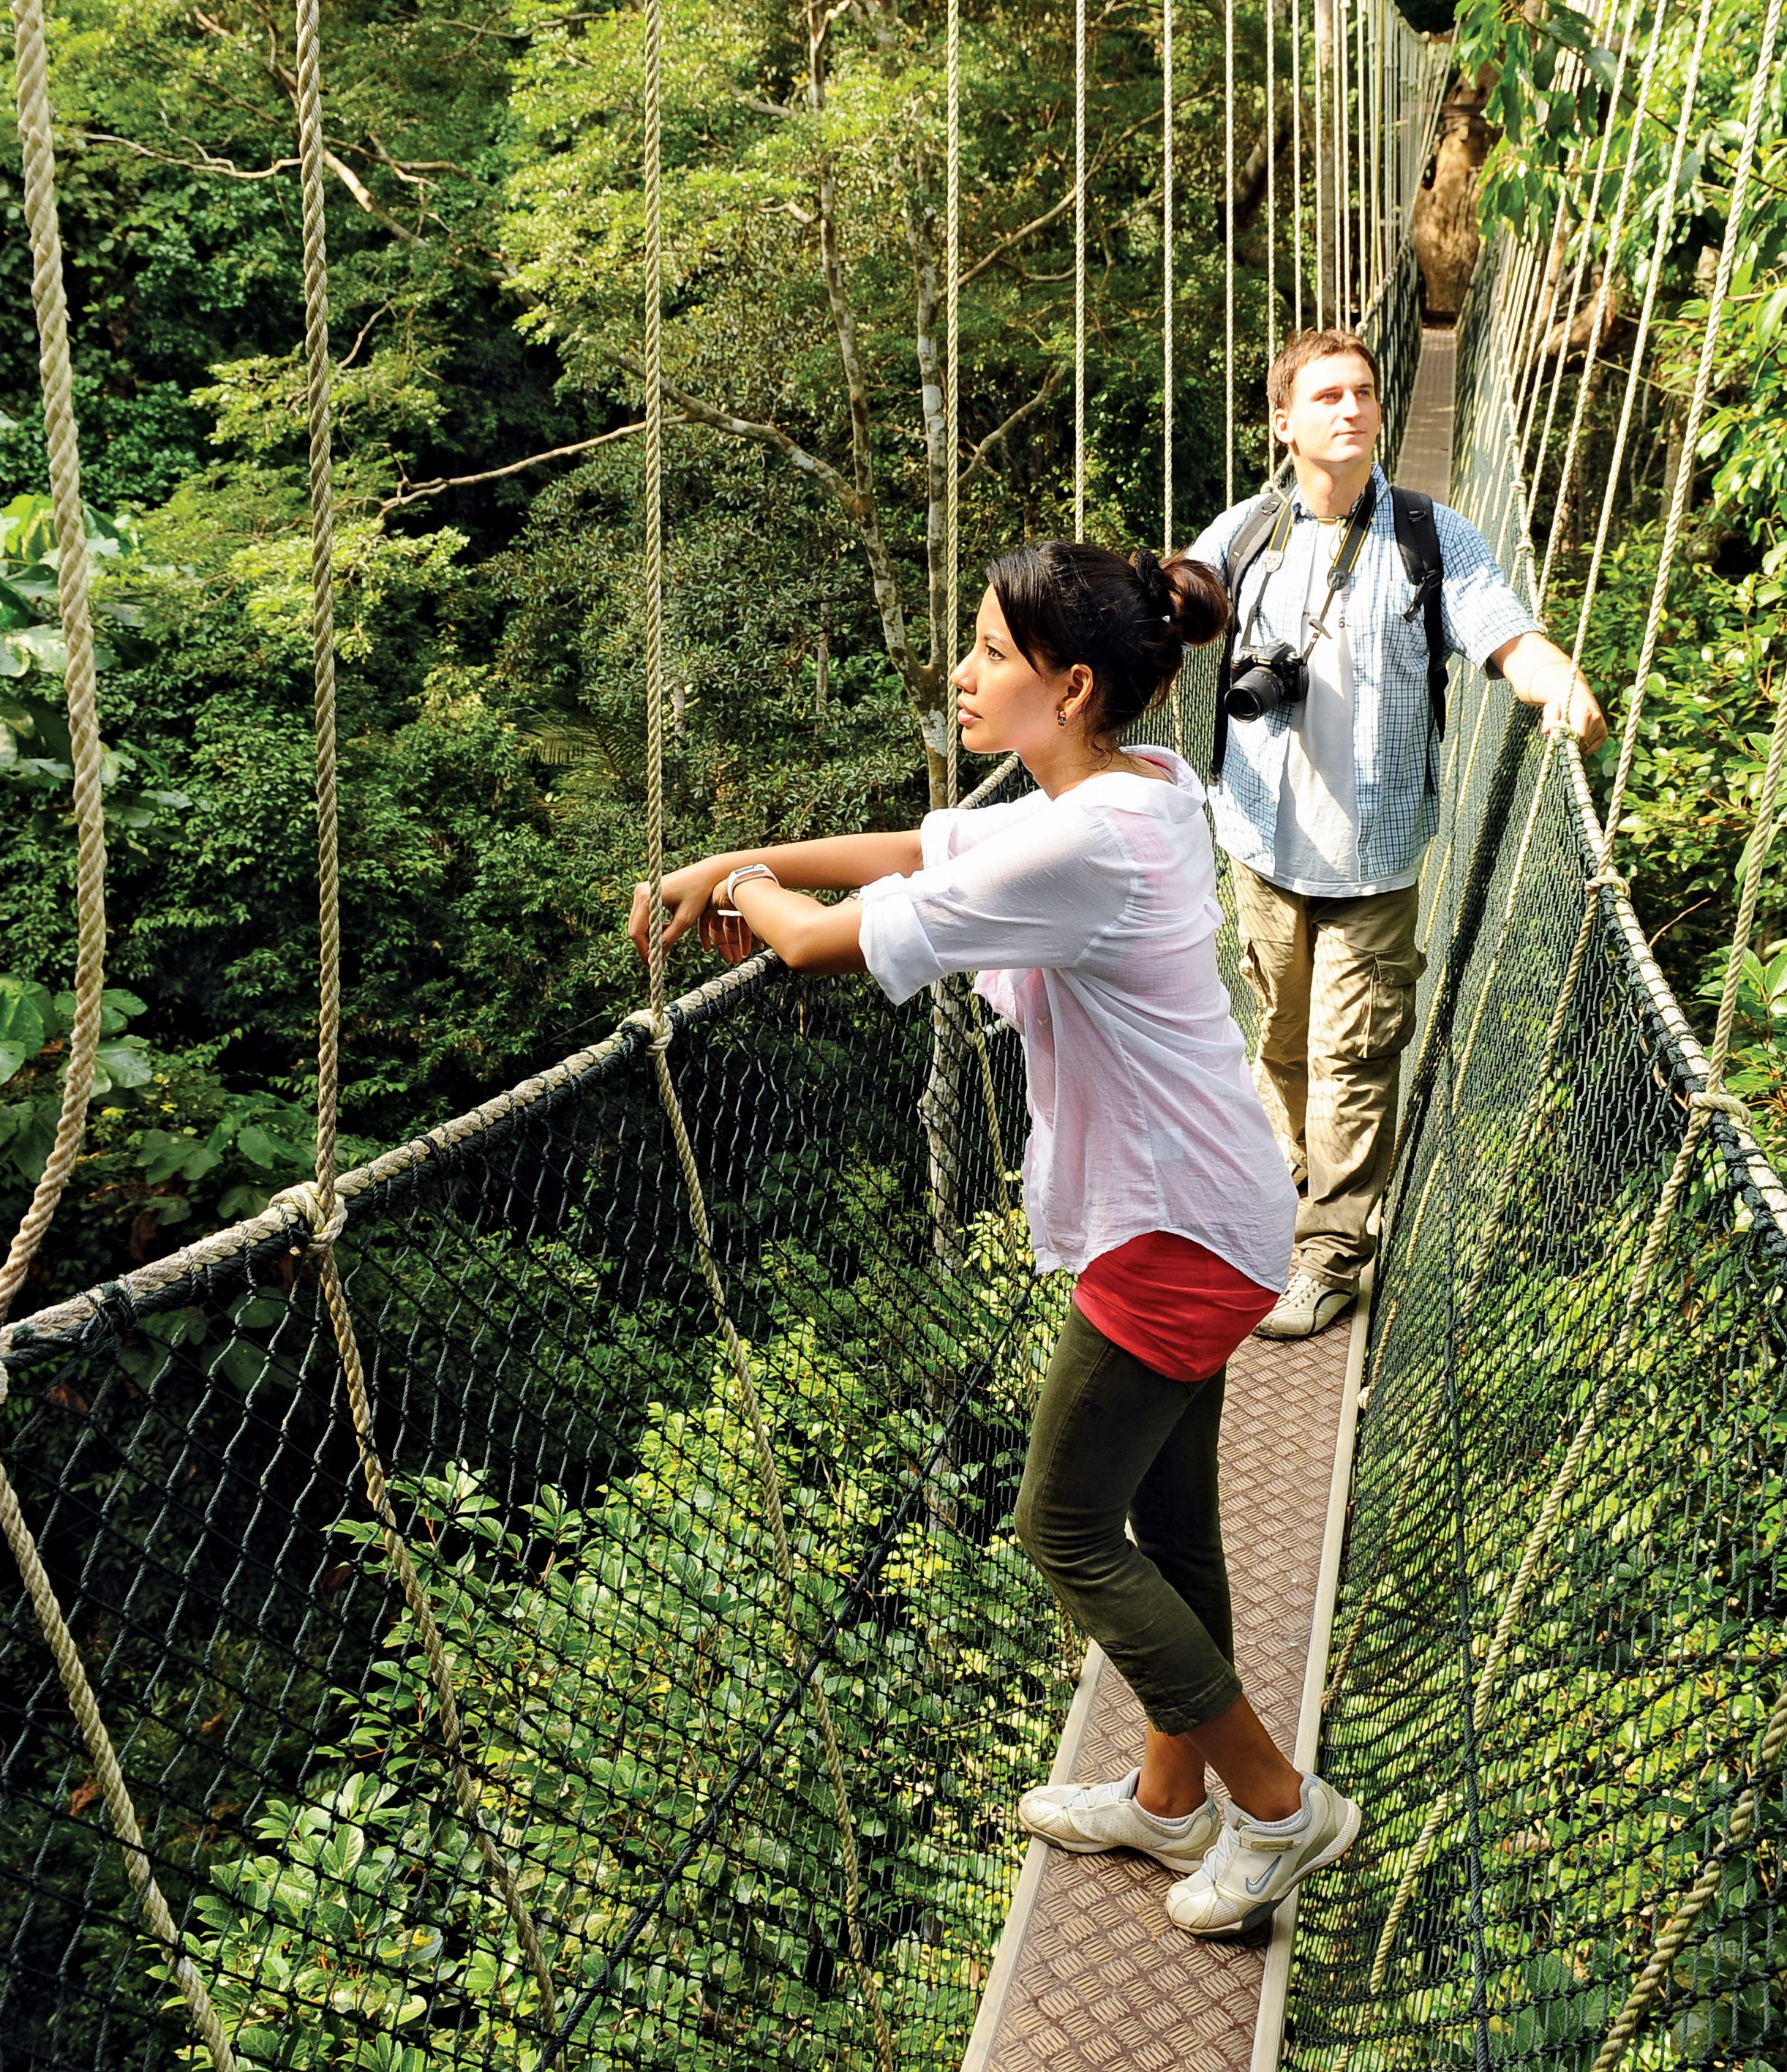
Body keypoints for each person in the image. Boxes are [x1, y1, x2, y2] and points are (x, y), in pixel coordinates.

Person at [631, 539, 1359, 1936]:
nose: (962, 676)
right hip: (1202, 1206)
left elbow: (819, 943)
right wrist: (747, 855)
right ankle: (1165, 1801)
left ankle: (1275, 1807)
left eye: (990, 656)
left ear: (1071, 685)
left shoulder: (1093, 836)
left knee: (1065, 1529)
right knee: (1166, 1521)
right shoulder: (1127, 788)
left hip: (1173, 1234)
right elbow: (920, 849)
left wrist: (745, 899)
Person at [1187, 327, 1609, 1341]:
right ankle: (1273, 1191)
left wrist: (1562, 687)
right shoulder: (1240, 535)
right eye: (1326, 396)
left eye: (1364, 394)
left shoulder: (1432, 536)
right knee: (1279, 1036)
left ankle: (1327, 1255)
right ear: (1282, 422)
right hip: (1258, 841)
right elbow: (1168, 619)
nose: (1352, 409)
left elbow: (1511, 639)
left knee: (1355, 1051)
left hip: (1374, 859)